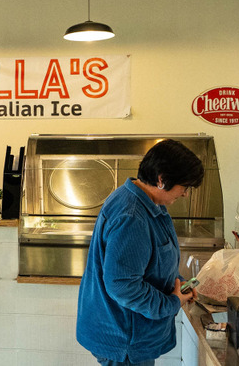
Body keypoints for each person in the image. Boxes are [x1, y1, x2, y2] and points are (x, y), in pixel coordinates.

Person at [76, 139, 203, 366]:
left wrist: (177, 283)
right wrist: (172, 302)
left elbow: (152, 262)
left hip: (129, 334)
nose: (185, 194)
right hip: (124, 339)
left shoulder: (150, 203)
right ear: (162, 180)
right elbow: (123, 285)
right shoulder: (132, 216)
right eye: (184, 186)